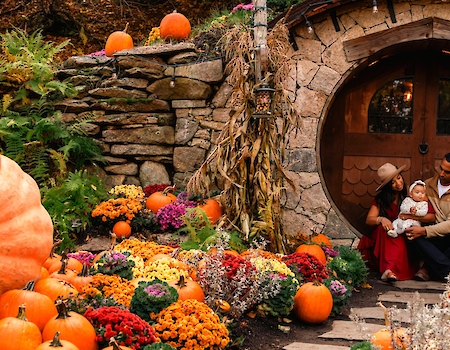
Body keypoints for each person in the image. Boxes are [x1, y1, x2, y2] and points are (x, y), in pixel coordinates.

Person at [357, 163, 435, 282]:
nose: (398, 184)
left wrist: (409, 216)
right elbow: (369, 219)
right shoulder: (381, 199)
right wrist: (382, 219)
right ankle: (388, 271)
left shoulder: (411, 194)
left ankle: (390, 270)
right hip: (383, 235)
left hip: (402, 232)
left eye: (398, 178)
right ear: (388, 186)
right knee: (385, 231)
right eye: (392, 182)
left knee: (399, 239)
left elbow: (430, 216)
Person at [405, 153, 450, 281]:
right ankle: (445, 271)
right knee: (410, 233)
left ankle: (428, 269)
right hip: (428, 236)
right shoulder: (427, 186)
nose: (441, 174)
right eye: (440, 168)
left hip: (446, 235)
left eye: (447, 172)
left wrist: (425, 231)